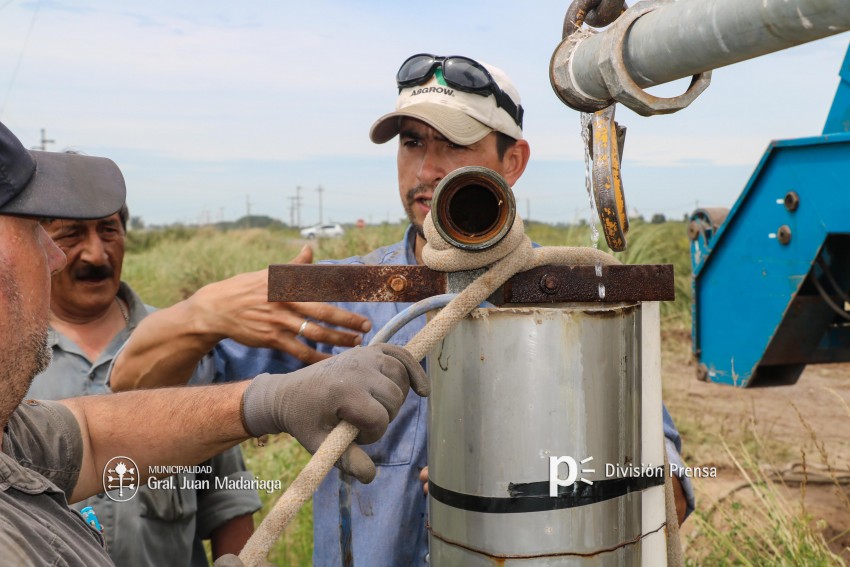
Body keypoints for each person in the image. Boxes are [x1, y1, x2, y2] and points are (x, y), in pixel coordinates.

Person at [109, 54, 695, 566]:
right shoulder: (342, 301)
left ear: (513, 161)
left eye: (454, 143)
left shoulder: (576, 303)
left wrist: (546, 480)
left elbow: (669, 490)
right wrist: (198, 316)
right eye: (412, 142)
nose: (426, 169)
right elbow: (138, 402)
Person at [0, 119, 429, 566]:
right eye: (45, 233)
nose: (77, 255)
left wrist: (270, 401)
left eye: (108, 230)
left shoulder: (18, 431)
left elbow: (92, 437)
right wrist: (201, 315)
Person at [27, 201, 263, 566]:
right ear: (42, 244)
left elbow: (226, 494)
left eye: (109, 230)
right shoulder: (13, 354)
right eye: (71, 234)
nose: (96, 254)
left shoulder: (183, 343)